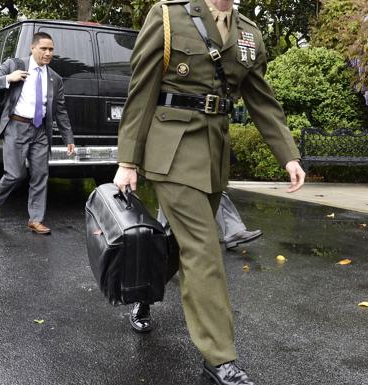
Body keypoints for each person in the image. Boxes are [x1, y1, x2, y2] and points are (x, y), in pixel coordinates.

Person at [113, 0, 305, 383]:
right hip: (171, 149)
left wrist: (288, 156)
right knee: (203, 248)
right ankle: (219, 358)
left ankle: (143, 295)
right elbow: (142, 88)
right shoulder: (168, 16)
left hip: (214, 154)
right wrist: (128, 161)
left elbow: (261, 99)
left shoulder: (248, 32)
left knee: (180, 244)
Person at [0, 32, 75, 235]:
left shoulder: (55, 78)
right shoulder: (14, 65)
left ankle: (35, 219)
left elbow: (60, 110)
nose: (48, 53)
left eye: (51, 49)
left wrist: (69, 138)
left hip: (40, 130)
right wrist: (9, 78)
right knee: (15, 174)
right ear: (32, 48)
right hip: (16, 127)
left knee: (40, 175)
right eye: (43, 48)